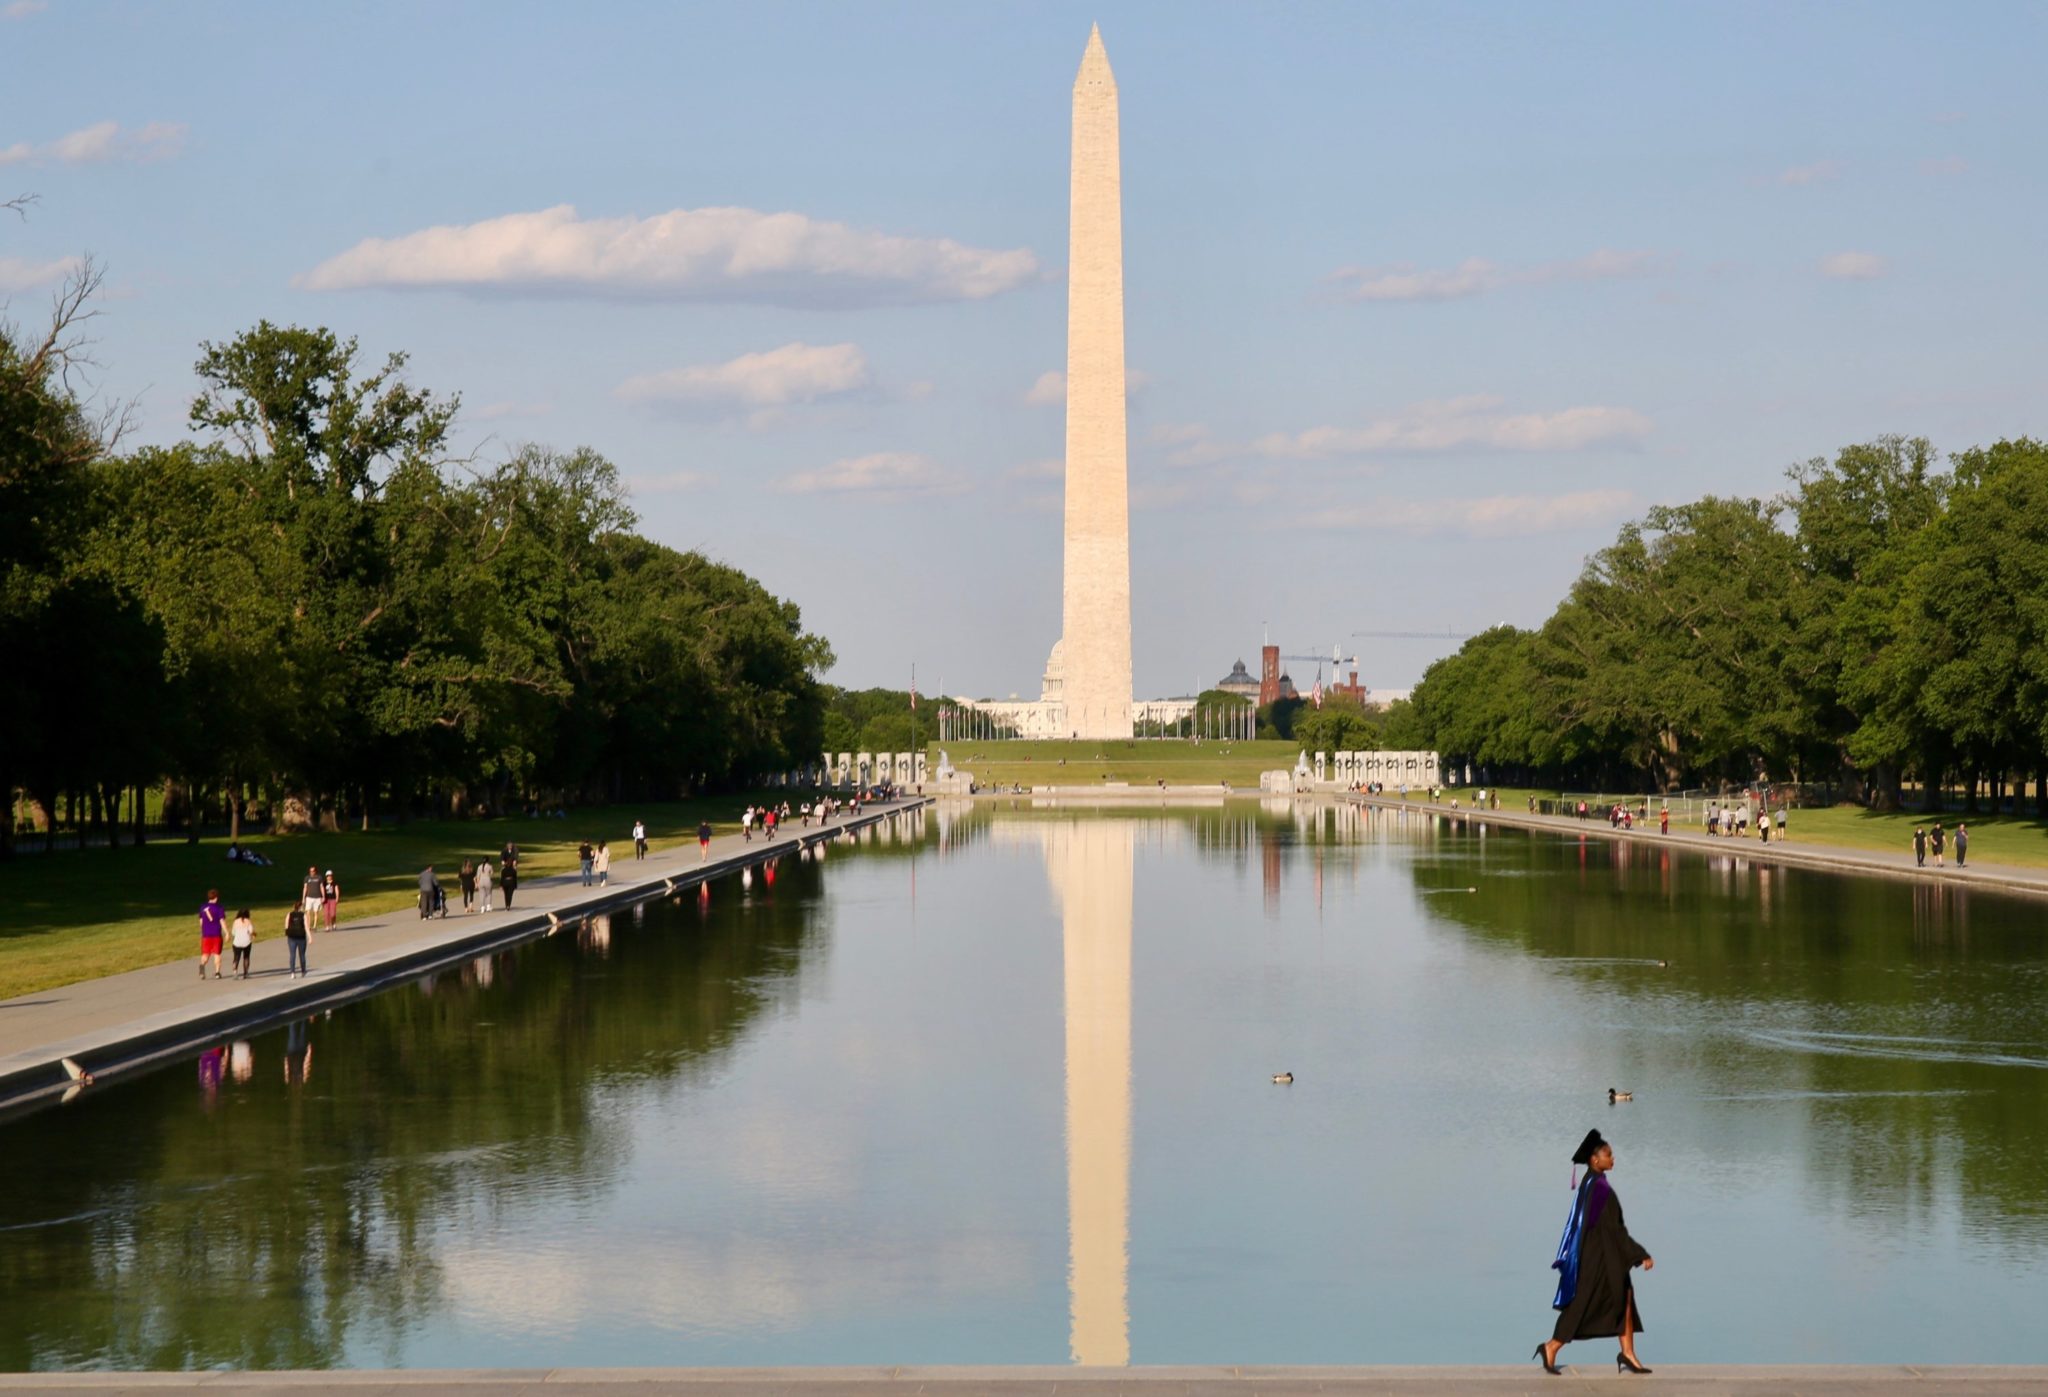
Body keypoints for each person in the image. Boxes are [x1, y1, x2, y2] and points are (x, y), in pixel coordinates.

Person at [1537, 1129, 1654, 1376]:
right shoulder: (1599, 1188)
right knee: (1581, 1304)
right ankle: (1551, 1347)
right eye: (1608, 1155)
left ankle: (1628, 1353)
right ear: (1594, 1160)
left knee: (1625, 1298)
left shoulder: (1590, 1182)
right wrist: (1639, 1253)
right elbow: (1614, 1229)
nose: (1613, 1158)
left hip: (1600, 1253)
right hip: (1599, 1258)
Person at [198, 890, 228, 979]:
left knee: (205, 954)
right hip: (216, 934)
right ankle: (217, 972)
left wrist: (204, 930)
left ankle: (202, 966)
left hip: (206, 935)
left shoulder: (202, 907)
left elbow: (201, 921)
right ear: (216, 898)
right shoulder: (219, 908)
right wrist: (226, 932)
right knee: (217, 954)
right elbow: (222, 921)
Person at [283, 901, 310, 978]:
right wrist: (310, 937)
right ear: (301, 907)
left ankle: (292, 972)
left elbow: (286, 926)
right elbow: (306, 927)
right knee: (302, 955)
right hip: (301, 937)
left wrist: (288, 933)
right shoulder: (303, 915)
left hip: (291, 937)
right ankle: (303, 971)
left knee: (292, 955)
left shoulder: (289, 914)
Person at [229, 907, 255, 979]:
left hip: (237, 942)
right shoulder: (248, 921)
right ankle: (246, 973)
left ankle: (235, 972)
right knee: (246, 957)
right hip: (246, 942)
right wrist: (254, 935)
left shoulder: (236, 922)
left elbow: (233, 933)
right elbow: (251, 931)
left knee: (236, 957)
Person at [301, 866, 324, 934]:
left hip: (317, 897)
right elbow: (305, 888)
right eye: (310, 871)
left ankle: (314, 926)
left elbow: (321, 887)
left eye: (313, 871)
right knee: (308, 912)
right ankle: (308, 926)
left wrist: (323, 896)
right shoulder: (307, 878)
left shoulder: (319, 877)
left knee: (315, 912)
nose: (312, 872)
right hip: (309, 897)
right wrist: (303, 898)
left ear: (315, 871)